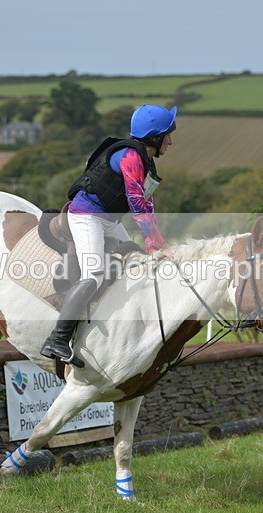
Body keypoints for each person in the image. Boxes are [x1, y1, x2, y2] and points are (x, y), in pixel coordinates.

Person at [40, 104, 177, 367]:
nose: (170, 142)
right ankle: (57, 339)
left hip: (108, 220)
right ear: (155, 137)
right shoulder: (131, 157)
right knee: (94, 275)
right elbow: (136, 203)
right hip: (87, 217)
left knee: (134, 259)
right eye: (167, 135)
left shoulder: (145, 160)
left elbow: (147, 204)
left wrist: (158, 244)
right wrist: (154, 243)